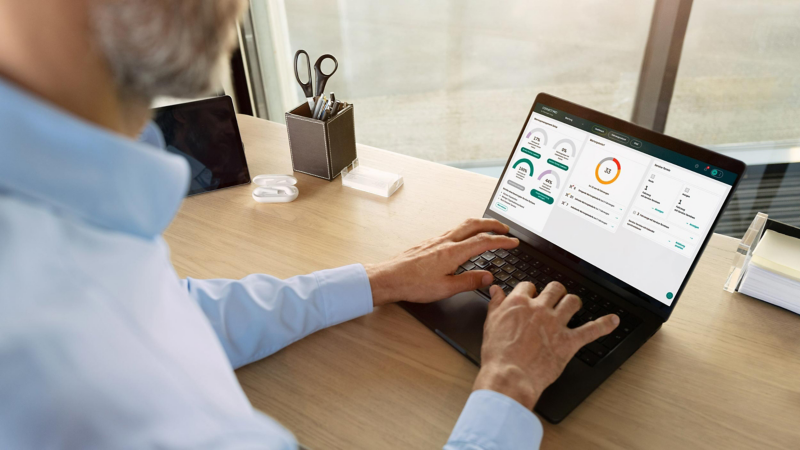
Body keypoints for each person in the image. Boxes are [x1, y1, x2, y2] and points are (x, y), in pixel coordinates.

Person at [0, 0, 619, 448]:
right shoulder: (62, 373)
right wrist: (507, 390)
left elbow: (179, 311)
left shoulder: (64, 227)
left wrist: (379, 280)